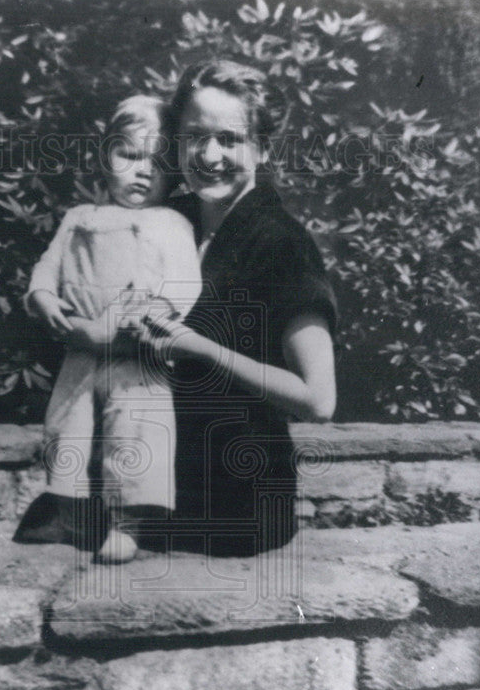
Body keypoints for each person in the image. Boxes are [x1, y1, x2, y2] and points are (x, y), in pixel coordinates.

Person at [133, 60, 338, 557]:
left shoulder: (281, 244)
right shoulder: (167, 220)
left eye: (230, 139)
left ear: (262, 147)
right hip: (150, 499)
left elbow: (318, 400)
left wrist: (200, 348)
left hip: (238, 510)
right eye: (194, 136)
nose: (208, 155)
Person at [13, 96, 201, 562]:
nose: (143, 172)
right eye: (129, 156)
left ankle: (129, 525)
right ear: (105, 158)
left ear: (175, 172)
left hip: (135, 353)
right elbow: (47, 266)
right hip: (80, 349)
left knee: (133, 433)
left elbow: (182, 283)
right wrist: (43, 298)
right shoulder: (79, 217)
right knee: (69, 428)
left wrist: (142, 317)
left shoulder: (170, 222)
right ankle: (71, 513)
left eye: (158, 162)